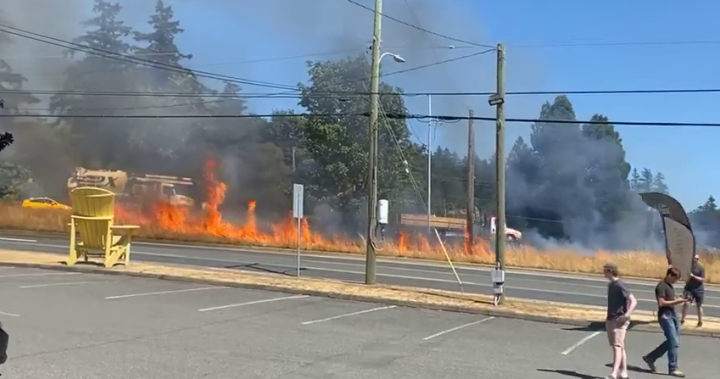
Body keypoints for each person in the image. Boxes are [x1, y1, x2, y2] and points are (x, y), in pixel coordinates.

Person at [643, 267, 690, 377]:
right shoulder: (661, 286)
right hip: (665, 316)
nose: (675, 282)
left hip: (673, 315)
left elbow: (670, 300)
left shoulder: (669, 286)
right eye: (675, 279)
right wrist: (677, 301)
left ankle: (651, 357)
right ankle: (673, 368)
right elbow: (661, 303)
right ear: (669, 275)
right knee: (673, 341)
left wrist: (680, 299)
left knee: (674, 341)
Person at [603, 262, 638, 379]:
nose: (603, 273)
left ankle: (614, 373)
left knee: (617, 346)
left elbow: (633, 301)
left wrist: (626, 315)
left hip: (619, 319)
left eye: (604, 270)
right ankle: (624, 372)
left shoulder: (620, 284)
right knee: (619, 346)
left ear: (609, 271)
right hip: (611, 318)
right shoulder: (611, 285)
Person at [681, 254, 705, 327]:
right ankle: (682, 319)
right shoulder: (688, 266)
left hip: (698, 289)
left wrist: (693, 276)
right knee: (686, 304)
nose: (695, 260)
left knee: (699, 306)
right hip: (689, 288)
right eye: (694, 258)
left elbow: (702, 279)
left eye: (697, 259)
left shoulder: (701, 267)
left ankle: (700, 321)